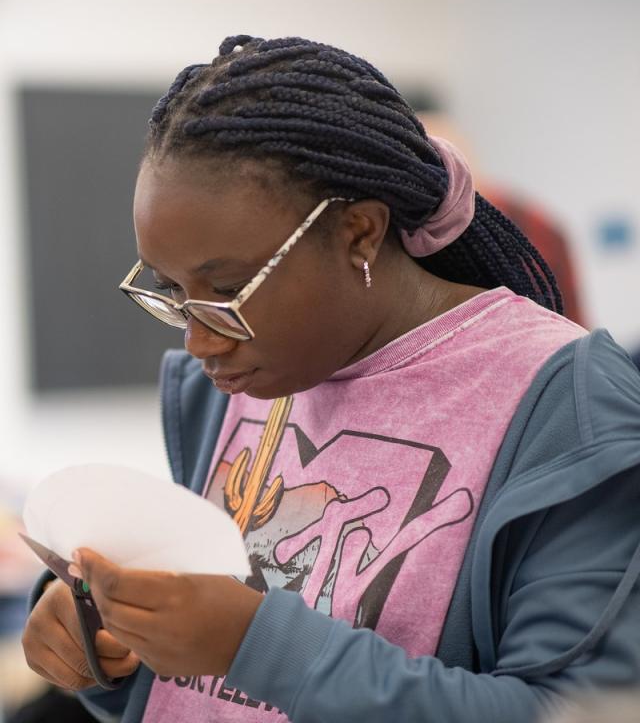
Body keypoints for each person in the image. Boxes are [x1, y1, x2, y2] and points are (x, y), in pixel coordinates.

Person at [21, 35, 640, 723]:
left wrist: (254, 644)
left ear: (359, 234)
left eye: (227, 289)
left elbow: (580, 712)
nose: (196, 340)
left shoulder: (565, 402)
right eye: (172, 291)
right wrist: (112, 651)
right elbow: (192, 691)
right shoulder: (225, 389)